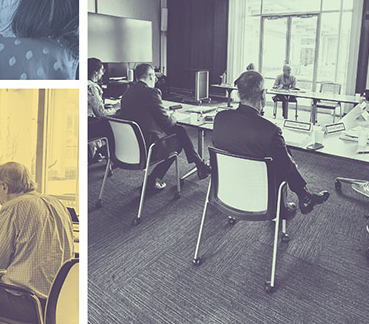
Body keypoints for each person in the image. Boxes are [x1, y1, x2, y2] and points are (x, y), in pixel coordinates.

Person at [213, 70, 330, 216]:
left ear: (238, 94)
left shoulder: (220, 118)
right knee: (284, 163)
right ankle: (291, 204)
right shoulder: (270, 130)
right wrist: (292, 165)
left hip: (226, 191)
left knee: (282, 151)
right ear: (263, 94)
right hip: (260, 196)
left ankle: (305, 196)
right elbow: (285, 168)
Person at [0, 162, 73, 324]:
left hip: (31, 304)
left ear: (4, 187)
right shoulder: (56, 203)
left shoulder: (13, 208)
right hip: (62, 300)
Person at [119, 63, 212, 189]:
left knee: (179, 130)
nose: (155, 80)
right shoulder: (151, 93)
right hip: (148, 146)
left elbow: (141, 114)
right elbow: (166, 122)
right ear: (151, 76)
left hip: (130, 145)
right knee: (178, 140)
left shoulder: (127, 93)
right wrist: (173, 117)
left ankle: (200, 165)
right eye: (154, 77)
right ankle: (152, 180)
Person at [89, 57, 117, 162]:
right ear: (96, 72)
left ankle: (97, 152)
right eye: (102, 70)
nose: (103, 73)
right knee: (113, 124)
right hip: (89, 125)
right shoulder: (91, 87)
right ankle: (111, 155)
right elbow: (101, 113)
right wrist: (116, 107)